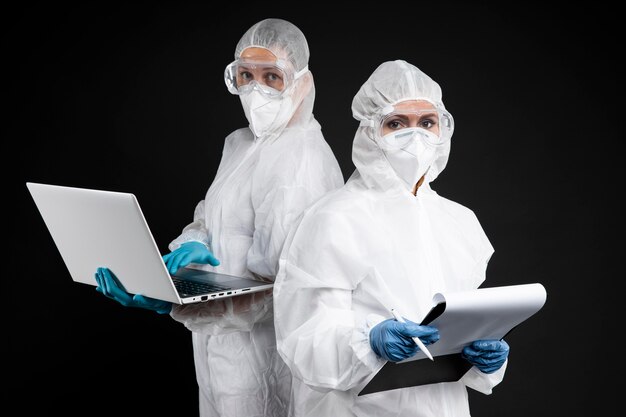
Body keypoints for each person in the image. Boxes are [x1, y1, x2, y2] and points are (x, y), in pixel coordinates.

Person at [94, 18, 344, 417]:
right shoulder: (241, 144)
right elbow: (210, 218)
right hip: (215, 348)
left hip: (265, 359)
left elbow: (287, 292)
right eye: (245, 75)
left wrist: (177, 304)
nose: (255, 89)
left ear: (300, 83)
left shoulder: (302, 162)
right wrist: (194, 243)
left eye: (271, 77)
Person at [273, 60, 510, 417]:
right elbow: (303, 338)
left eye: (427, 123)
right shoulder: (334, 218)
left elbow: (464, 323)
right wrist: (368, 342)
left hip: (441, 406)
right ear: (370, 132)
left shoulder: (459, 221)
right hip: (358, 409)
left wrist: (486, 358)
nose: (416, 137)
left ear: (443, 130)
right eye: (396, 124)